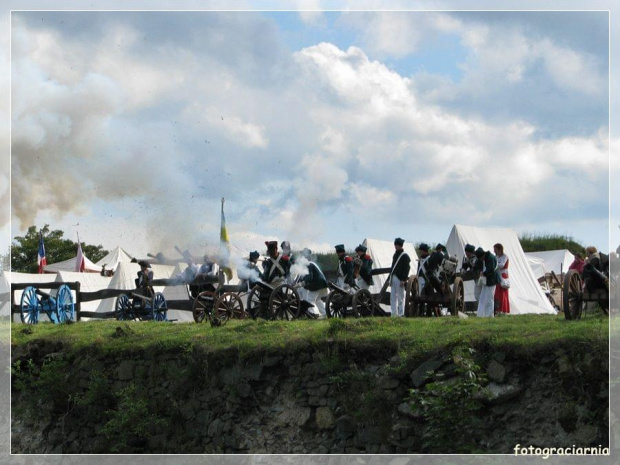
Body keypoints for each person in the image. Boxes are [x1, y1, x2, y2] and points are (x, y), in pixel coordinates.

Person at [298, 248, 329, 318]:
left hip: (317, 285)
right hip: (322, 284)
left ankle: (312, 314)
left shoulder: (309, 264)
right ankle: (325, 313)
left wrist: (303, 283)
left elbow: (309, 277)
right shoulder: (312, 264)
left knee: (309, 299)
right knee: (317, 300)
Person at [390, 238, 411, 317]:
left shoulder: (405, 256)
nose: (395, 246)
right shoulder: (395, 255)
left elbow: (406, 268)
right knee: (393, 296)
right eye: (395, 245)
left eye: (396, 245)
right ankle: (393, 313)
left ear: (400, 245)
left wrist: (403, 279)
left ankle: (401, 313)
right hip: (394, 277)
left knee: (400, 297)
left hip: (400, 278)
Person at [475, 247, 499, 317]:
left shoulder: (491, 258)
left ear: (482, 256)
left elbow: (491, 269)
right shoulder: (487, 258)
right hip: (487, 281)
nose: (481, 260)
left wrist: (484, 273)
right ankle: (481, 315)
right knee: (482, 298)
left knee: (489, 299)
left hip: (491, 280)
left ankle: (489, 315)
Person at [493, 243, 510, 314]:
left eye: (495, 250)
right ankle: (497, 309)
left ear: (500, 250)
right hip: (497, 275)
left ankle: (503, 309)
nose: (494, 251)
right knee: (497, 293)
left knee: (503, 294)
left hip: (503, 275)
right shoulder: (496, 257)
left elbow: (501, 265)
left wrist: (494, 264)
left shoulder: (505, 256)